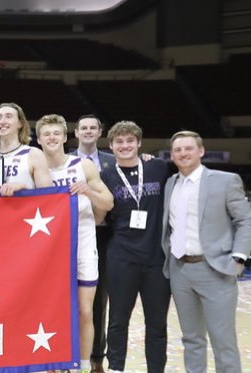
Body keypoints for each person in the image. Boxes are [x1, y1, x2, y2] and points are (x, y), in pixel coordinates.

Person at [162, 130, 251, 373]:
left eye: (188, 148)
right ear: (172, 155)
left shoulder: (225, 180)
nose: (183, 153)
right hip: (180, 270)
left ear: (201, 151)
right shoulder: (170, 183)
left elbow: (246, 221)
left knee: (222, 341)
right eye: (177, 150)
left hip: (215, 269)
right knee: (192, 339)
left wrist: (238, 258)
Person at [36, 115, 115, 371]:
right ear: (38, 139)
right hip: (47, 251)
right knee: (53, 310)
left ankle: (81, 365)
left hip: (82, 246)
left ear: (64, 136)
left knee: (84, 311)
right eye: (46, 134)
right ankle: (54, 362)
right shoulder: (32, 167)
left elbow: (108, 203)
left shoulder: (83, 167)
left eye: (56, 133)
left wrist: (88, 191)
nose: (51, 138)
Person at [98, 121, 171, 373]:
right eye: (119, 141)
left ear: (139, 143)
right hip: (121, 258)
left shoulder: (158, 167)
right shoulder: (105, 174)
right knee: (118, 320)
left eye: (130, 141)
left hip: (156, 259)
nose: (125, 145)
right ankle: (116, 369)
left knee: (157, 324)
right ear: (111, 146)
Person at [71, 114, 116, 373]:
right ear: (76, 133)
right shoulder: (63, 160)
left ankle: (97, 357)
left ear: (99, 132)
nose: (88, 131)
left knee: (98, 301)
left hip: (104, 234)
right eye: (83, 128)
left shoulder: (112, 161)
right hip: (70, 233)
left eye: (93, 127)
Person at [0, 103, 53, 197]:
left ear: (20, 123)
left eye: (8, 116)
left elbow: (48, 197)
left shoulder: (34, 154)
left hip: (24, 210)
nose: (2, 121)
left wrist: (23, 188)